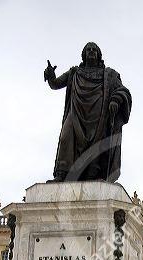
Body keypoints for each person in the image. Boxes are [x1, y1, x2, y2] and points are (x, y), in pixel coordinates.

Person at [44, 42, 132, 182]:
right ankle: (62, 174)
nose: (91, 51)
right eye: (88, 49)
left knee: (97, 144)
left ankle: (94, 175)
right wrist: (50, 76)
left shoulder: (109, 74)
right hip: (75, 113)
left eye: (94, 49)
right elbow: (55, 84)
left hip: (99, 115)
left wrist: (115, 99)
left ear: (99, 54)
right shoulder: (74, 72)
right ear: (83, 55)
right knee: (65, 138)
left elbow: (122, 90)